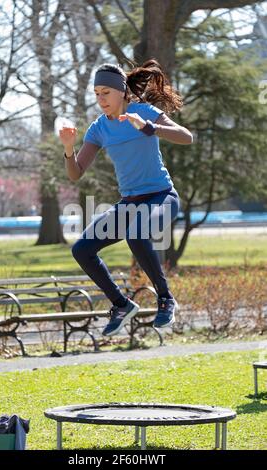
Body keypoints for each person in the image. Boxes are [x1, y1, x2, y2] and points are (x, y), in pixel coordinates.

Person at [59, 59, 193, 337]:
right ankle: (121, 305)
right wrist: (69, 149)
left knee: (136, 233)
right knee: (81, 249)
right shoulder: (98, 128)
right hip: (130, 203)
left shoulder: (144, 112)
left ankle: (166, 299)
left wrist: (149, 128)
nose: (100, 99)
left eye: (105, 92)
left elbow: (186, 137)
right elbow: (76, 173)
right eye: (96, 94)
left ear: (121, 91)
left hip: (161, 197)